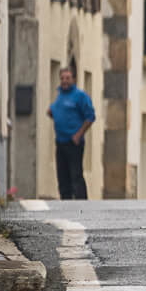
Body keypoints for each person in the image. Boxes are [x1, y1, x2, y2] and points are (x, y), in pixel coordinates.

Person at [50, 67, 95, 200]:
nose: (64, 81)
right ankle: (66, 202)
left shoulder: (80, 96)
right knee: (62, 175)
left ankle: (81, 202)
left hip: (74, 142)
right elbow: (55, 110)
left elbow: (90, 117)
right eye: (62, 78)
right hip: (60, 141)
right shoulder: (60, 95)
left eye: (67, 78)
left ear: (73, 79)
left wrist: (79, 134)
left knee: (75, 174)